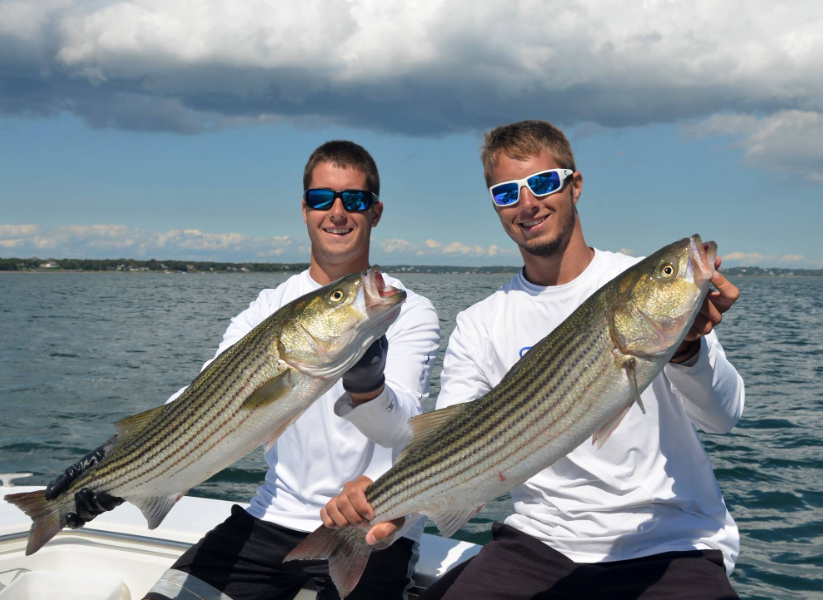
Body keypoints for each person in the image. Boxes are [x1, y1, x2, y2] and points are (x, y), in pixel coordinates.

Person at [322, 120, 745, 600]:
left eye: (543, 183)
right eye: (507, 193)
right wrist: (386, 502)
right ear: (496, 206)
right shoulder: (481, 322)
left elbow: (723, 416)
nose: (528, 203)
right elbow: (450, 446)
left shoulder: (635, 283)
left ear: (575, 185)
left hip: (672, 542)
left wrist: (688, 351)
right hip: (539, 544)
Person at [44, 141, 441, 600]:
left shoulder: (404, 310)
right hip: (268, 519)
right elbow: (199, 396)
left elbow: (402, 429)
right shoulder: (265, 308)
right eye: (321, 198)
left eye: (353, 199)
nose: (337, 212)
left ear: (375, 211)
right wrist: (110, 460)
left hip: (372, 526)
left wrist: (367, 383)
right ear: (305, 209)